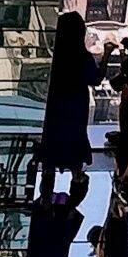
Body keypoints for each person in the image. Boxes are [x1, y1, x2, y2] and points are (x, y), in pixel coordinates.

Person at [35, 11, 97, 203]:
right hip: (75, 111)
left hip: (55, 111)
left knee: (49, 162)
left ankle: (45, 203)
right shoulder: (81, 56)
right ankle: (73, 205)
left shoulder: (54, 58)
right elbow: (95, 78)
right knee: (76, 158)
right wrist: (108, 55)